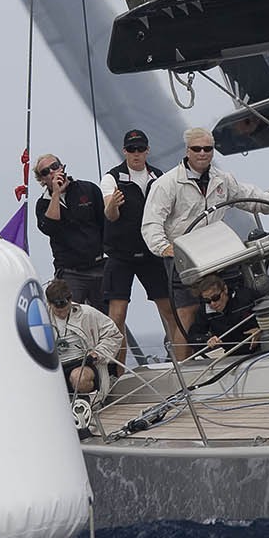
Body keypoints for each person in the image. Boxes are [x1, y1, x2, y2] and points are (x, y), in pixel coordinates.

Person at [141, 127, 269, 358]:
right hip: (183, 258)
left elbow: (249, 196)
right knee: (187, 313)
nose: (203, 153)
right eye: (197, 149)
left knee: (239, 298)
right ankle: (182, 369)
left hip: (217, 252)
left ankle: (251, 349)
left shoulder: (222, 179)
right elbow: (152, 222)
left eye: (208, 149)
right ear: (187, 151)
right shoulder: (167, 183)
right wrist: (163, 247)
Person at [99, 129, 180, 365]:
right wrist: (113, 205)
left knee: (169, 310)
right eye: (131, 149)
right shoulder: (112, 178)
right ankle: (117, 372)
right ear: (124, 151)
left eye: (140, 149)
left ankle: (182, 361)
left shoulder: (158, 176)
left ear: (147, 151)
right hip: (121, 255)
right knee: (117, 315)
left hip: (151, 252)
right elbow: (110, 215)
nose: (136, 153)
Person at [33, 154, 108, 311]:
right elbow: (50, 228)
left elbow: (105, 224)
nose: (52, 172)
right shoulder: (43, 204)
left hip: (99, 266)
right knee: (70, 316)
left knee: (108, 317)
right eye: (46, 172)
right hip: (70, 272)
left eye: (54, 166)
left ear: (62, 167)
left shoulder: (88, 189)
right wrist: (55, 194)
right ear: (42, 180)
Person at [45, 278, 122, 396]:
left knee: (79, 378)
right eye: (58, 311)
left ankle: (87, 401)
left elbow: (114, 335)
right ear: (49, 304)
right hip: (55, 367)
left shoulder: (87, 313)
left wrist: (98, 353)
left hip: (84, 363)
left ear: (70, 300)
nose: (62, 314)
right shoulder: (40, 318)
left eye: (65, 310)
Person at [188, 274, 260, 356]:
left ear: (225, 289)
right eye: (207, 301)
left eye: (215, 298)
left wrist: (261, 329)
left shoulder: (245, 296)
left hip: (262, 347)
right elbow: (193, 336)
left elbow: (268, 309)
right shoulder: (204, 310)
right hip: (233, 354)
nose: (212, 303)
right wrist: (207, 340)